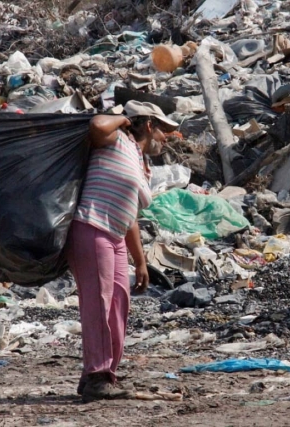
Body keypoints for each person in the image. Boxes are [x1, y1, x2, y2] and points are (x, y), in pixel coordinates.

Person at [66, 101, 179, 402]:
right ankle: (96, 376)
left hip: (114, 234)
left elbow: (130, 215)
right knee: (99, 303)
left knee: (118, 302)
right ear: (149, 125)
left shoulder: (140, 161)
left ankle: (104, 374)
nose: (166, 137)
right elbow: (96, 126)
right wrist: (122, 119)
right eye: (163, 129)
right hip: (91, 226)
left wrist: (140, 262)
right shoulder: (116, 140)